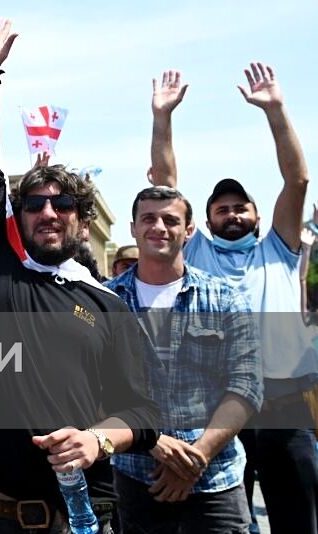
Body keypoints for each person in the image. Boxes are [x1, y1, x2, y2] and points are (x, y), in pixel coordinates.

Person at [0, 18, 159, 533]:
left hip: (74, 520)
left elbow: (144, 412)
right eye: (35, 203)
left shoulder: (106, 305)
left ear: (81, 220)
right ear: (18, 216)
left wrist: (97, 441)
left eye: (62, 203)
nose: (48, 211)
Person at [150, 64, 316, 533]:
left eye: (240, 207)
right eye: (221, 209)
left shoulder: (278, 248)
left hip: (284, 404)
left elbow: (297, 180)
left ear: (258, 215)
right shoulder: (196, 252)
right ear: (201, 223)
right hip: (217, 409)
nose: (232, 214)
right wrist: (162, 117)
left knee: (300, 518)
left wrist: (276, 110)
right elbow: (164, 185)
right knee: (225, 523)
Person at [107, 185, 261, 532]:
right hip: (135, 478)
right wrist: (154, 442)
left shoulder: (225, 298)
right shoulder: (106, 301)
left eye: (170, 220)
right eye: (148, 218)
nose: (158, 227)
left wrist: (198, 457)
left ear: (189, 230)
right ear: (133, 227)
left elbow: (246, 386)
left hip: (216, 480)